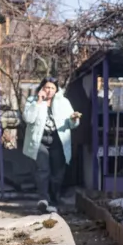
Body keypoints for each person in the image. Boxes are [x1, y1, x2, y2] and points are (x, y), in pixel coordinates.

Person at [22, 77, 80, 213]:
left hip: (58, 140)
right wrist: (38, 102)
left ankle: (53, 200)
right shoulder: (33, 101)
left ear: (56, 90)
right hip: (39, 140)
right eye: (47, 87)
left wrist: (74, 119)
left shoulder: (64, 103)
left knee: (57, 174)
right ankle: (43, 200)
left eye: (52, 88)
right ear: (42, 88)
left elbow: (72, 124)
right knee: (43, 170)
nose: (49, 91)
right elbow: (28, 119)